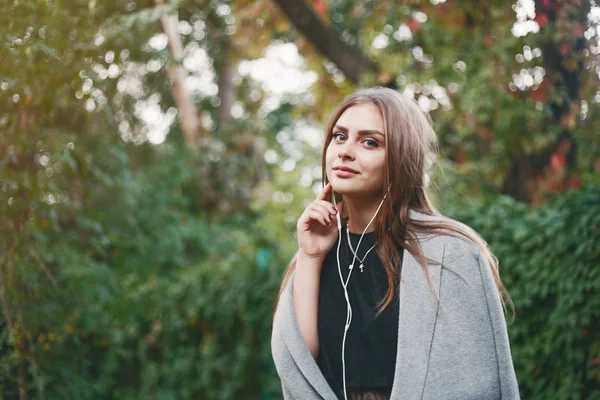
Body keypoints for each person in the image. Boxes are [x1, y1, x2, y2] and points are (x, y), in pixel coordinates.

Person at [271, 87, 520, 400]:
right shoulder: (316, 254)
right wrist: (309, 257)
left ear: (400, 158)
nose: (346, 151)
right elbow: (298, 366)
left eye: (370, 142)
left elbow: (478, 380)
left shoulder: (450, 252)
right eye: (340, 136)